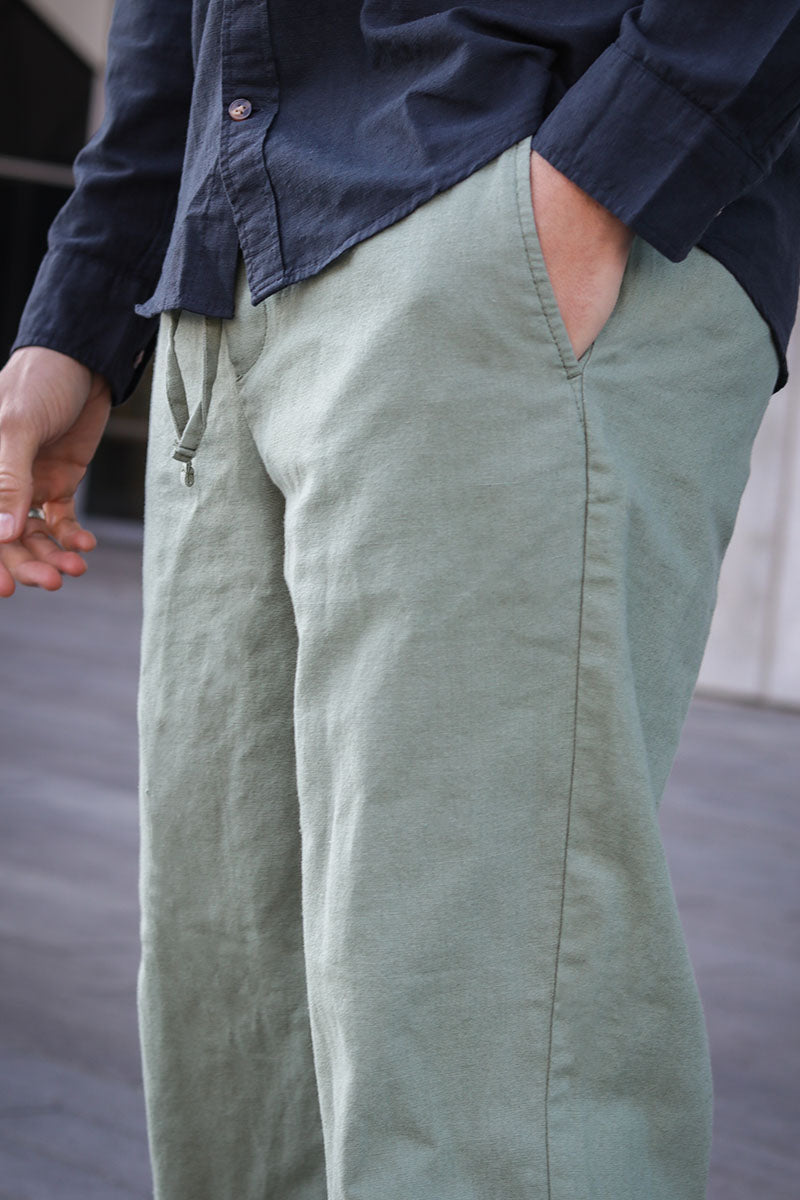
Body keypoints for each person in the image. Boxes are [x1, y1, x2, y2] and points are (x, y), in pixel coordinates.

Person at [1, 2, 798, 1197]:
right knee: (238, 1052)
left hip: (501, 200)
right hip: (224, 283)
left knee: (482, 1064)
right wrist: (81, 307)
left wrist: (612, 170)